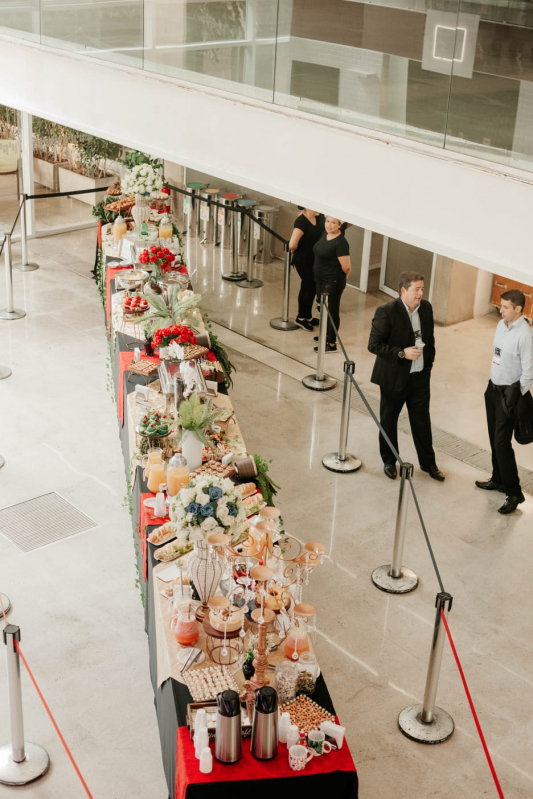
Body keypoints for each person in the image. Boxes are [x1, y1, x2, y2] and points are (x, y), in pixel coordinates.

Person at [368, 270, 444, 481]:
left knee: (422, 422)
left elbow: (430, 339)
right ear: (403, 290)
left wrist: (428, 364)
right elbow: (374, 345)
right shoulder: (387, 312)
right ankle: (389, 461)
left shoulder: (426, 308)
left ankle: (429, 464)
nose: (420, 293)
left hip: (419, 377)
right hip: (394, 378)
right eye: (416, 289)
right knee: (389, 421)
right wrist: (402, 353)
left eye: (422, 289)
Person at [475, 289, 533, 514]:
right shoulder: (502, 325)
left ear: (518, 309)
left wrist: (514, 396)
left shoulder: (525, 336)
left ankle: (514, 493)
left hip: (509, 396)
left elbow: (528, 372)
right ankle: (498, 479)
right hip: (492, 390)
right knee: (493, 437)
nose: (501, 310)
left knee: (501, 443)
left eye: (506, 307)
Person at [312, 216, 351, 353]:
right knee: (322, 309)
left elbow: (346, 267)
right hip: (320, 278)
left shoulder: (341, 243)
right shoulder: (325, 234)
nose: (329, 225)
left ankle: (331, 343)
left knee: (331, 310)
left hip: (332, 281)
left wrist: (347, 271)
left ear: (340, 225)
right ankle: (325, 335)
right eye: (328, 221)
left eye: (333, 222)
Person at [289, 208, 324, 331]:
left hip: (314, 260)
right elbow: (292, 244)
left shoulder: (319, 218)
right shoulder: (301, 221)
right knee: (309, 287)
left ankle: (307, 316)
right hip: (303, 260)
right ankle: (301, 317)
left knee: (310, 287)